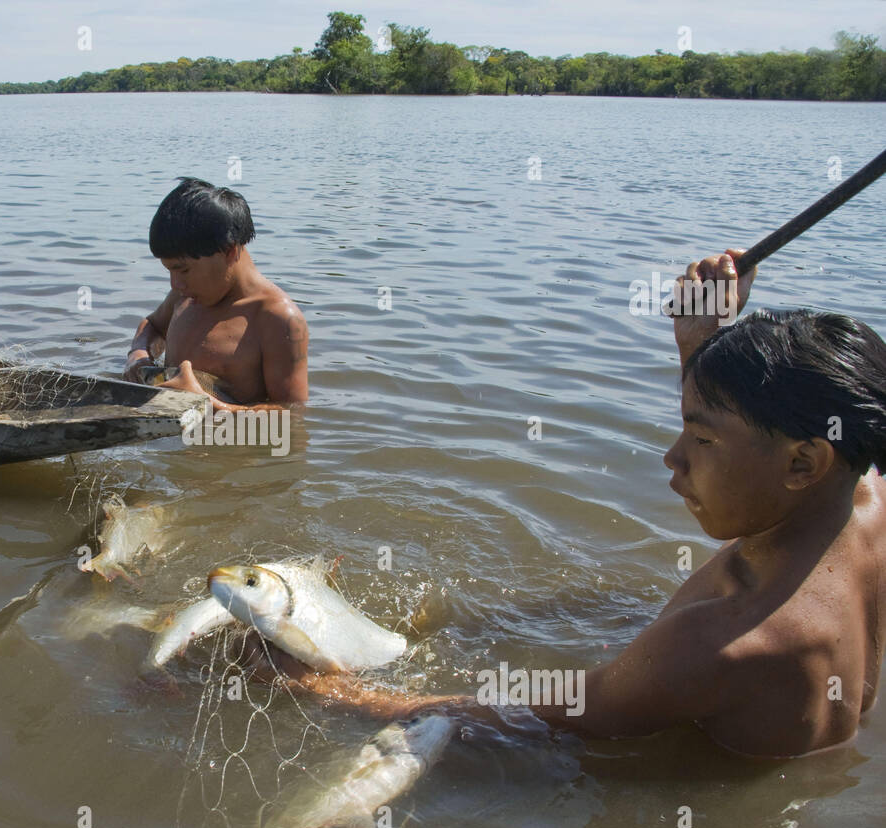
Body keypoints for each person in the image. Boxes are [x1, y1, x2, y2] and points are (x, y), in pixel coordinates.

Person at [285, 250, 886, 758]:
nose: (671, 458)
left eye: (700, 441)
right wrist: (703, 343)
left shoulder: (720, 644)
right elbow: (759, 438)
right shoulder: (864, 501)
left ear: (804, 464)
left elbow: (543, 714)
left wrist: (327, 692)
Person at [123, 178, 308, 412]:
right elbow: (153, 325)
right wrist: (138, 354)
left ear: (229, 252)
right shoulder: (185, 294)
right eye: (169, 270)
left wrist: (209, 405)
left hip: (224, 440)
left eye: (183, 270)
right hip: (171, 436)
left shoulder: (278, 319)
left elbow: (292, 416)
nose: (175, 283)